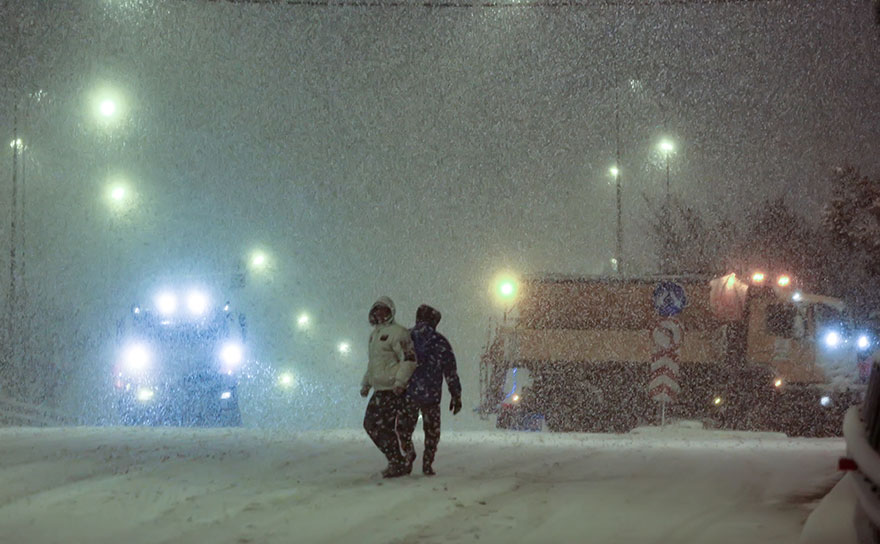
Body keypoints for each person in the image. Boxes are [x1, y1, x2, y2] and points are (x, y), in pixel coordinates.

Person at [398, 304, 462, 476]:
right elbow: (450, 371)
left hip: (408, 392)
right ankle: (427, 463)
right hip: (432, 394)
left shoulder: (406, 337)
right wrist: (456, 394)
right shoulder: (440, 341)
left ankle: (408, 453)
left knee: (403, 429)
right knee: (432, 431)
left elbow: (396, 363)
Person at [360, 296, 417, 478]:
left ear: (390, 311)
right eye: (376, 310)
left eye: (383, 309)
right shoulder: (374, 336)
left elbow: (409, 360)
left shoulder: (399, 333)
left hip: (393, 390)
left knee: (379, 426)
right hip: (379, 389)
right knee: (372, 425)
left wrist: (400, 383)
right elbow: (373, 363)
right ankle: (397, 460)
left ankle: (397, 461)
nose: (379, 313)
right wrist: (366, 383)